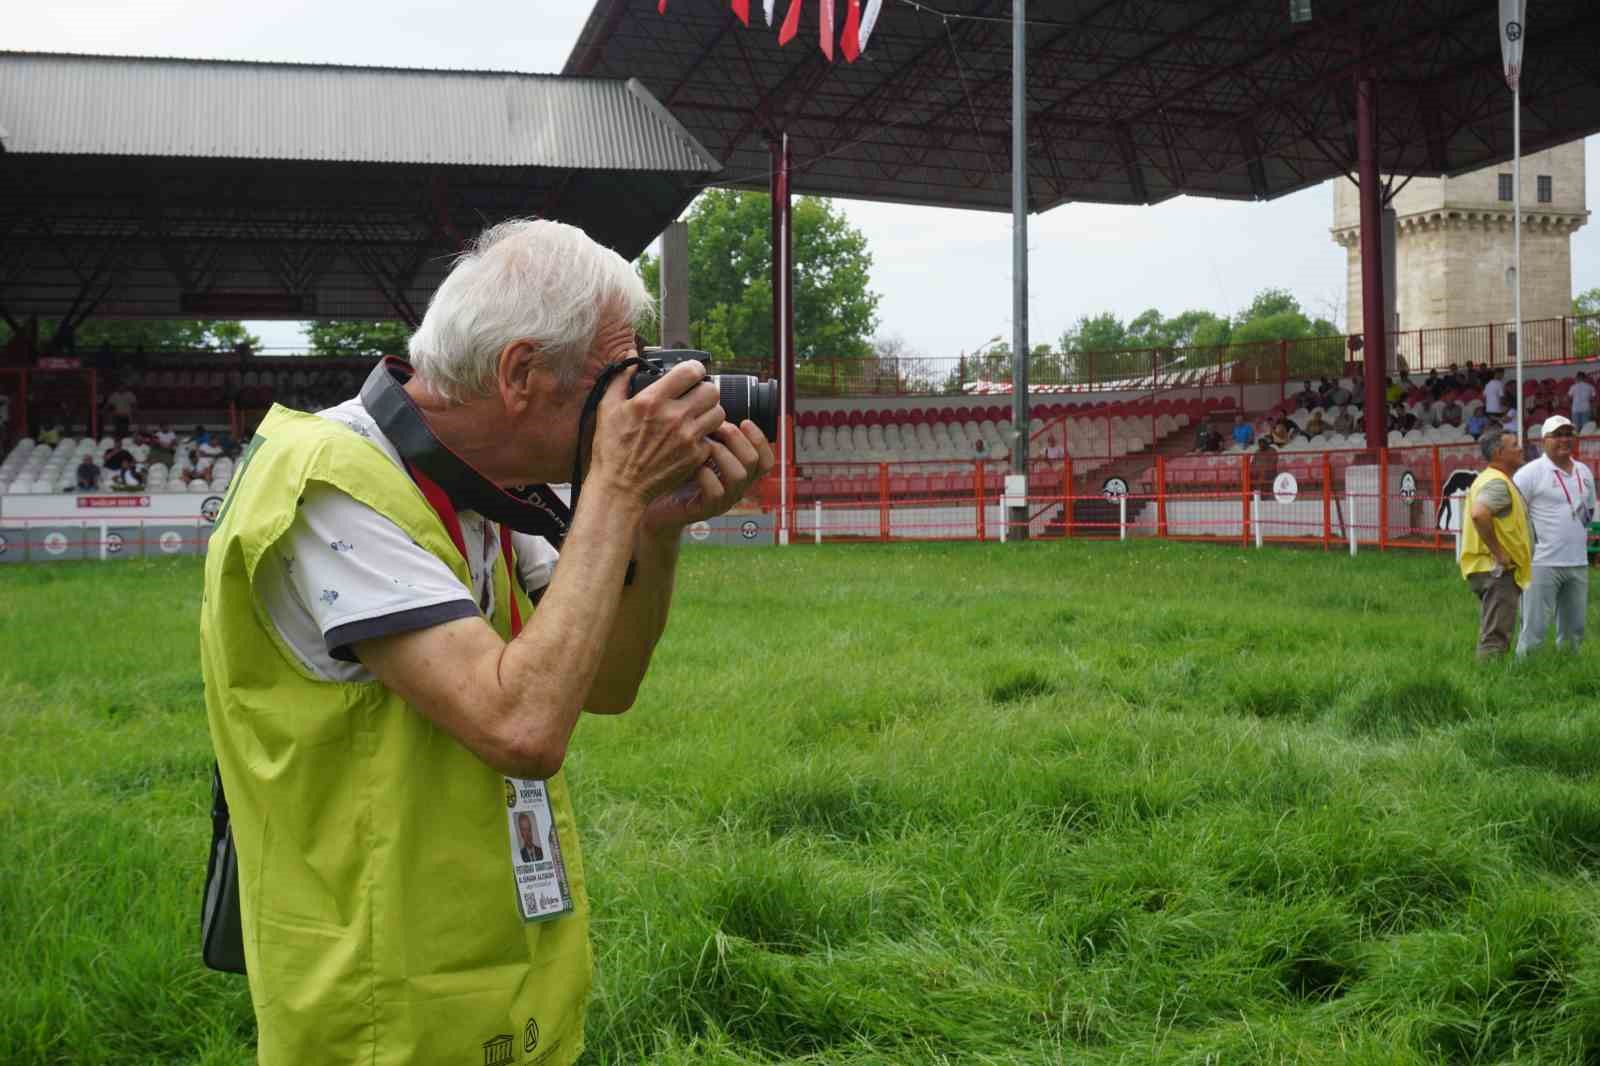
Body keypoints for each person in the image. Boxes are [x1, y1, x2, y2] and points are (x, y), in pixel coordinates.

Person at [200, 219, 775, 1066]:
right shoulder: (328, 485)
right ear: (520, 373)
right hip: (375, 999)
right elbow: (524, 727)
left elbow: (605, 685)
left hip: (498, 967)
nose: (638, 402)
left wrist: (653, 529)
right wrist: (614, 488)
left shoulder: (488, 484)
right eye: (620, 375)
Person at [1512, 416, 1594, 655]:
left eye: (1568, 434)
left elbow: (1588, 512)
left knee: (1574, 629)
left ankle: (1567, 670)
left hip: (1577, 561)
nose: (1564, 440)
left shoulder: (1584, 471)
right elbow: (1515, 515)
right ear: (1544, 440)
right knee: (1534, 628)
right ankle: (1525, 672)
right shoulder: (1530, 473)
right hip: (1542, 563)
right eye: (1557, 435)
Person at [1460, 429, 1531, 659]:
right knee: (1496, 638)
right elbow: (1480, 514)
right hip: (1497, 570)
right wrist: (1500, 554)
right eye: (1515, 445)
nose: (1521, 449)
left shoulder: (1490, 479)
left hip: (1486, 567)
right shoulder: (1497, 483)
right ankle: (1490, 685)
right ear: (1500, 453)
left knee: (1495, 630)